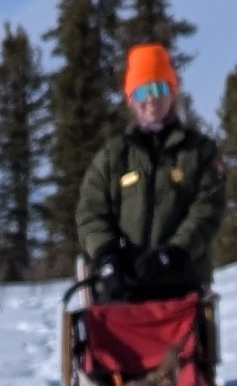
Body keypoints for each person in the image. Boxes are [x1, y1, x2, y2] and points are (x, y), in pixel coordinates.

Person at [76, 45, 225, 300]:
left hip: (181, 283)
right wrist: (106, 254)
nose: (151, 99)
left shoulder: (200, 152)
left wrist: (175, 252)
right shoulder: (114, 156)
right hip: (124, 287)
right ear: (130, 98)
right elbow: (91, 212)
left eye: (159, 88)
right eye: (142, 90)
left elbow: (207, 209)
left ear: (172, 92)